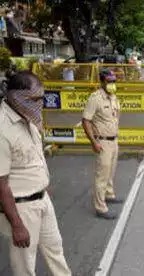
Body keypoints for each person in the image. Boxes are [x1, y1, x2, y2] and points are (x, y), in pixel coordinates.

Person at [0, 71, 71, 276]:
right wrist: (17, 225)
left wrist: (42, 183)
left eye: (40, 98)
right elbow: (1, 184)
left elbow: (33, 157)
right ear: (16, 96)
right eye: (34, 98)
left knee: (55, 249)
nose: (39, 103)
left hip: (42, 200)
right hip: (21, 208)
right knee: (25, 265)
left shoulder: (28, 116)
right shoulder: (3, 129)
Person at [82, 69, 123, 220]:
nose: (112, 84)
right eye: (109, 81)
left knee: (111, 171)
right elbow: (86, 120)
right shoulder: (95, 98)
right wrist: (94, 142)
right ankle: (100, 207)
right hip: (103, 142)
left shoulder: (113, 97)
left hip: (114, 140)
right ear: (102, 82)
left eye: (114, 81)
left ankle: (109, 194)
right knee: (102, 175)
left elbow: (114, 117)